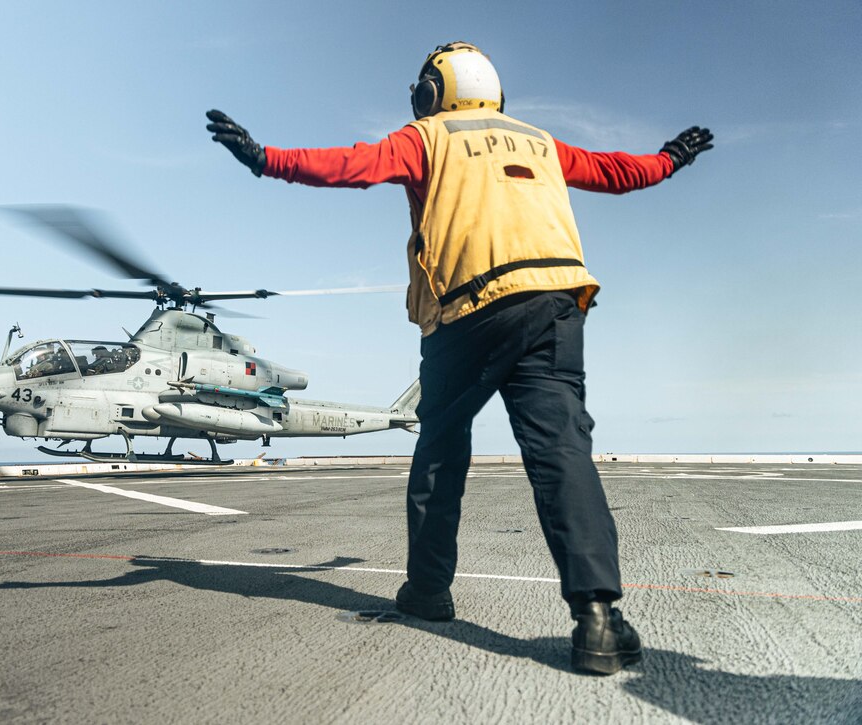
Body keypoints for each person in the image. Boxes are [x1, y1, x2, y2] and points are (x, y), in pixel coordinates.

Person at [206, 41, 712, 676]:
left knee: (441, 447)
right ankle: (598, 620)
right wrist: (672, 157)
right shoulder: (540, 142)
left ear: (431, 93)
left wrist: (265, 159)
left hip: (469, 309)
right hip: (556, 303)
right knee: (562, 453)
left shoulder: (428, 137)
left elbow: (351, 165)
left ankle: (428, 590)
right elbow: (617, 172)